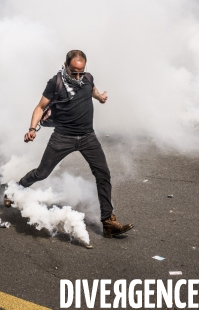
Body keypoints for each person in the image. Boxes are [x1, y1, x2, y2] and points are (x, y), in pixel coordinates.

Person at [18, 50, 133, 238]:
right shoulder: (55, 83)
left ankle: (108, 222)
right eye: (74, 72)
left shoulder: (87, 78)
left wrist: (100, 97)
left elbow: (92, 89)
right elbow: (40, 107)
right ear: (65, 65)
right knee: (42, 173)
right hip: (62, 137)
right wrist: (31, 129)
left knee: (103, 174)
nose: (78, 76)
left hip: (88, 136)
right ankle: (18, 188)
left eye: (81, 71)